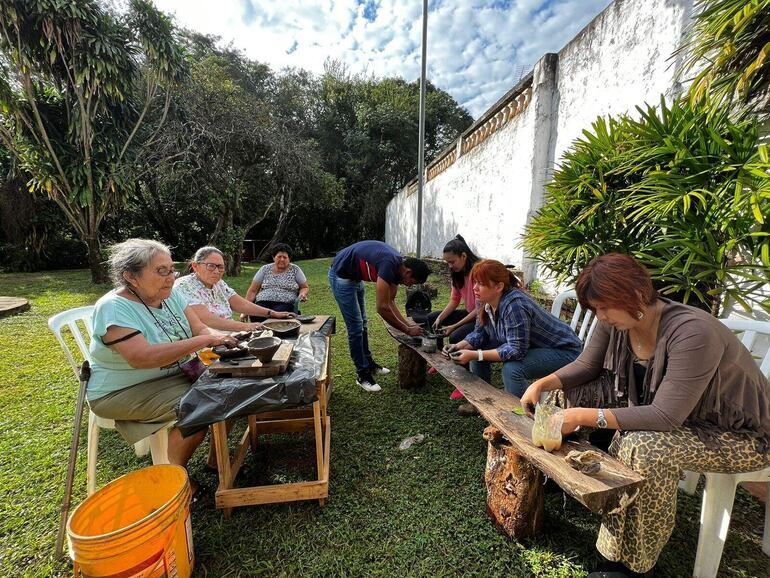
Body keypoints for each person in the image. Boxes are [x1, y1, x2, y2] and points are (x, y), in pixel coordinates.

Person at [519, 254, 770, 578]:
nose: (601, 317)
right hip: (676, 414)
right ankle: (563, 481)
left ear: (636, 295)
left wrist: (583, 415)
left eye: (605, 307)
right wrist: (543, 383)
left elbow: (665, 416)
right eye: (596, 309)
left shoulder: (693, 332)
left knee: (645, 446)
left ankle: (635, 566)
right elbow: (587, 367)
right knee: (561, 397)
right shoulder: (615, 320)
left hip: (742, 435)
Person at [87, 239, 236, 471]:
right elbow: (142, 358)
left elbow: (199, 328)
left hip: (174, 373)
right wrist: (205, 340)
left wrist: (216, 337)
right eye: (160, 271)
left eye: (171, 270)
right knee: (203, 403)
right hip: (121, 391)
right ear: (131, 276)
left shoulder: (171, 295)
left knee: (235, 385)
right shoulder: (114, 307)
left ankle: (216, 462)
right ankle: (174, 479)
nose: (170, 278)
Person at [445, 259, 582, 405]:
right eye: (475, 282)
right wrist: (460, 345)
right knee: (477, 350)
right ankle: (482, 402)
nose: (475, 288)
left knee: (512, 369)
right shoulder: (484, 300)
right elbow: (480, 333)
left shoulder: (514, 305)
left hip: (565, 351)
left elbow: (516, 350)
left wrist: (475, 354)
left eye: (481, 284)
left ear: (499, 286)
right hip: (534, 346)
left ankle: (519, 418)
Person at [328, 240, 430, 392]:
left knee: (363, 323)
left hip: (355, 277)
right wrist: (407, 330)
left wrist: (409, 325)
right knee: (355, 327)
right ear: (408, 272)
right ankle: (362, 375)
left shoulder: (398, 271)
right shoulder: (389, 264)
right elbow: (382, 308)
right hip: (341, 275)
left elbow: (390, 301)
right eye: (412, 282)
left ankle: (369, 364)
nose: (409, 285)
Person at [174, 246, 293, 332]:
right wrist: (245, 327)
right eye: (211, 266)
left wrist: (272, 313)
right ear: (195, 266)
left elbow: (242, 304)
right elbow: (207, 320)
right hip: (208, 342)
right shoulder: (184, 286)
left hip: (231, 335)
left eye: (220, 267)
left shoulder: (218, 283)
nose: (216, 271)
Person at [426, 235, 481, 398]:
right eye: (447, 263)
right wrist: (440, 318)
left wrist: (454, 326)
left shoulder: (478, 272)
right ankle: (441, 359)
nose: (450, 266)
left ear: (463, 256)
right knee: (431, 318)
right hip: (470, 311)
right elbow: (454, 300)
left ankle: (462, 382)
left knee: (457, 335)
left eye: (452, 262)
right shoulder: (456, 273)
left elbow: (481, 308)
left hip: (481, 316)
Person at [245, 243, 309, 320]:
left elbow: (304, 287)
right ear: (273, 257)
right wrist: (245, 310)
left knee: (279, 313)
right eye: (279, 257)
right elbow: (253, 291)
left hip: (285, 303)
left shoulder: (295, 270)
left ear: (289, 259)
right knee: (256, 313)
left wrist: (302, 294)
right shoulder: (264, 269)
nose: (282, 259)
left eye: (285, 257)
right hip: (263, 301)